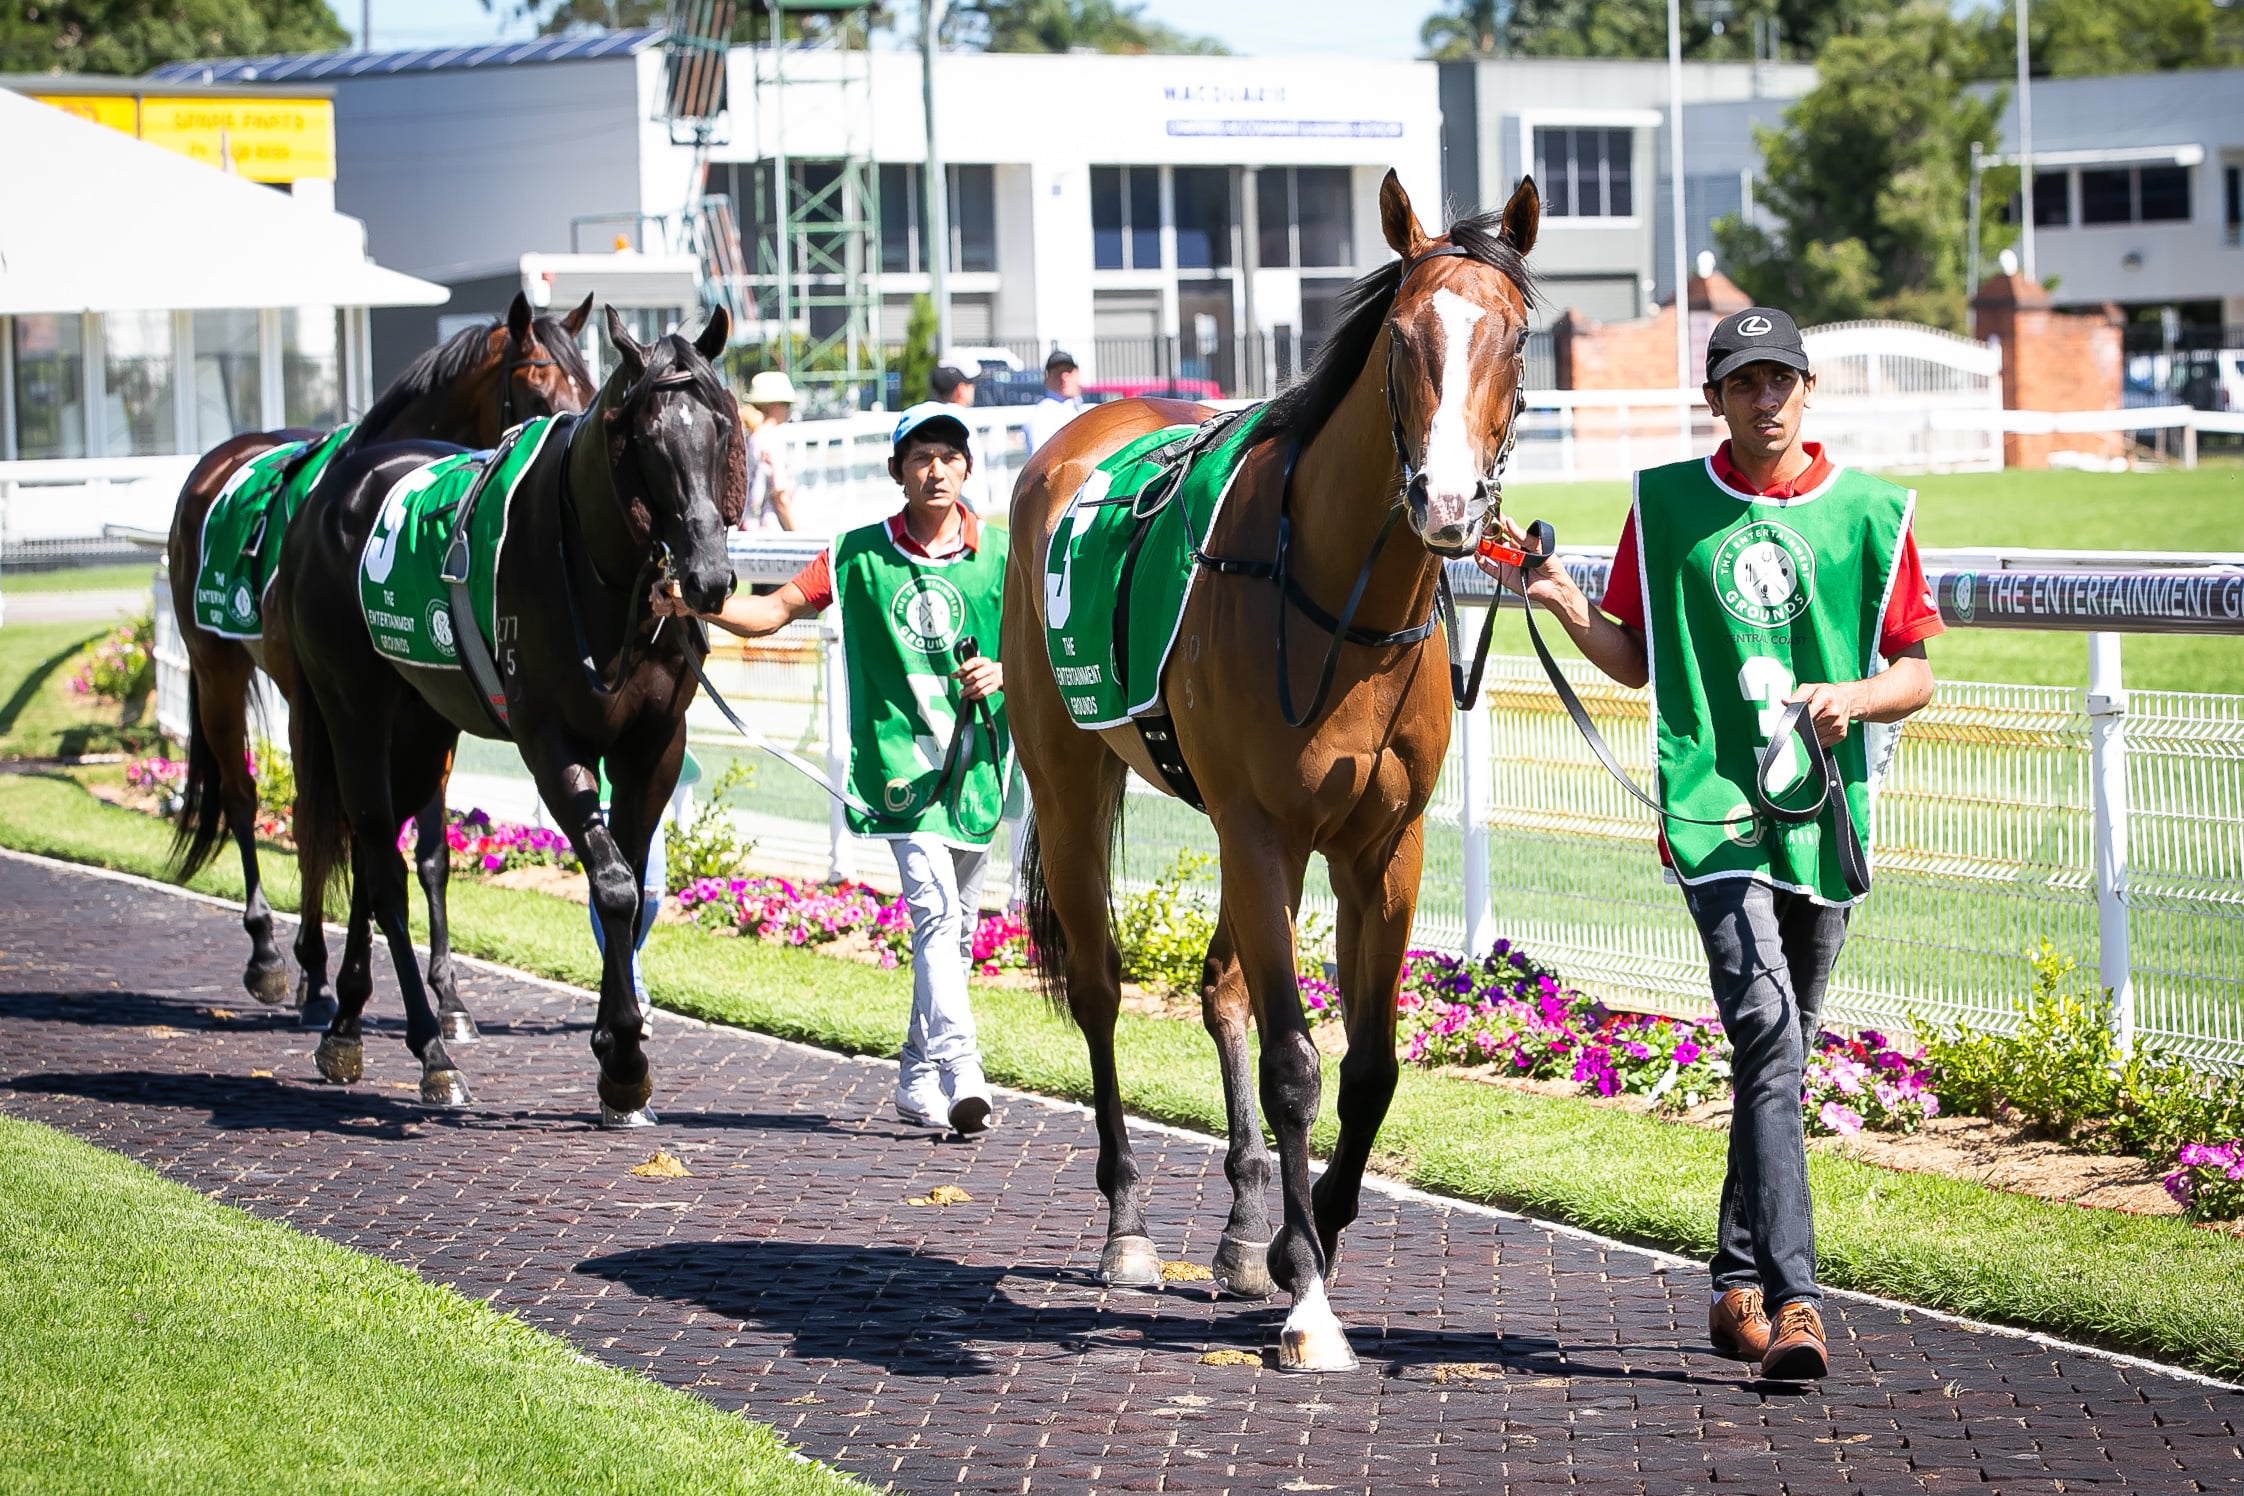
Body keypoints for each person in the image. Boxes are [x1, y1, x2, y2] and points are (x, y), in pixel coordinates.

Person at [1480, 305, 1941, 1383]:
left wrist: (1855, 697)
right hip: (1710, 813)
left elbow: (1918, 672)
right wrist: (1557, 597)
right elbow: (1635, 659)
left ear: (1807, 390)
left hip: (1826, 817)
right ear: (1716, 398)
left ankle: (1735, 1280)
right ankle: (1797, 1303)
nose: (1765, 399)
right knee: (1772, 1030)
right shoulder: (1669, 505)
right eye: (1744, 382)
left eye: (1781, 379)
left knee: (1776, 1047)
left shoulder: (1873, 512)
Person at [651, 402, 1010, 1137]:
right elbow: (775, 609)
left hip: (977, 770)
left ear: (967, 468)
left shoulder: (1002, 554)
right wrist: (698, 607)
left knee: (955, 928)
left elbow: (1038, 649)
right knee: (936, 913)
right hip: (899, 775)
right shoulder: (854, 554)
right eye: (920, 456)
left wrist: (1005, 672)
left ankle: (915, 1074)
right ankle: (962, 1068)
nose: (935, 468)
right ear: (896, 472)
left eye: (948, 454)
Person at [930, 356, 995, 515]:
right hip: (963, 511)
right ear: (960, 388)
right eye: (970, 384)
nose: (973, 388)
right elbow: (971, 475)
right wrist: (978, 512)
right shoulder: (960, 421)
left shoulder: (931, 417)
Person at [740, 369, 798, 531]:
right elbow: (781, 498)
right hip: (771, 530)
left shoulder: (748, 439)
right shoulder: (772, 442)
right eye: (787, 404)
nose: (789, 409)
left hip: (748, 528)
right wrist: (797, 533)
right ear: (775, 406)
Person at [1022, 349, 1083, 455]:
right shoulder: (1043, 415)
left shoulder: (1075, 407)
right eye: (1058, 372)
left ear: (1077, 374)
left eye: (1068, 371)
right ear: (1047, 378)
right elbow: (1041, 464)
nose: (1064, 378)